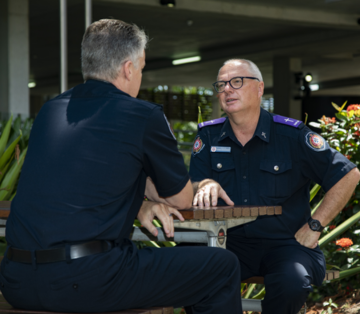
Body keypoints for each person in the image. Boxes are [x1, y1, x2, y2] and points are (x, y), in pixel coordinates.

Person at [0, 20, 242, 314]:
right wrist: (170, 192)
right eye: (141, 67)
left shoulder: (50, 111)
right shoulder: (142, 115)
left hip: (17, 280)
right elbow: (181, 200)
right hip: (88, 279)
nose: (139, 75)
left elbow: (84, 182)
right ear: (128, 69)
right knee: (221, 265)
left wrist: (141, 202)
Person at [189, 59, 360, 314]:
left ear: (259, 89)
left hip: (286, 245)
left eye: (236, 82)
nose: (227, 89)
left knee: (292, 282)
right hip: (228, 243)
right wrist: (205, 183)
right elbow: (193, 183)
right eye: (221, 84)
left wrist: (316, 224)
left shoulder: (292, 136)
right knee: (192, 276)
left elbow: (348, 174)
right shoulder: (208, 136)